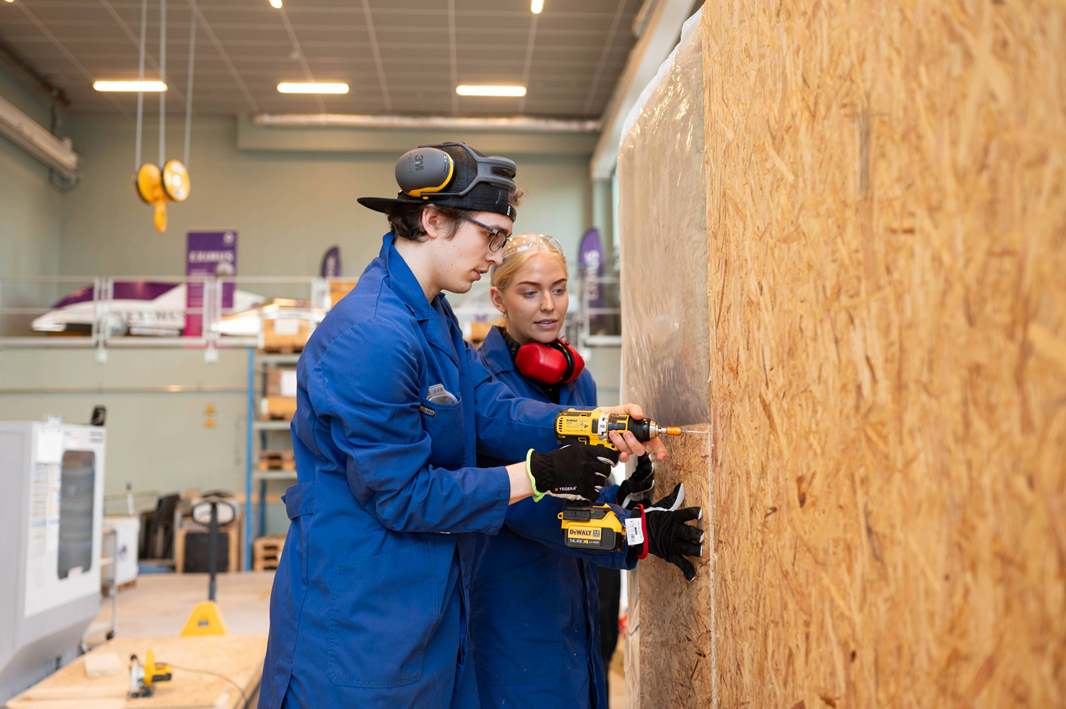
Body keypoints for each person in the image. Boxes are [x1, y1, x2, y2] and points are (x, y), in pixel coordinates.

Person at [257, 143, 667, 709]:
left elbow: (493, 410)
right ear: (432, 221)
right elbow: (404, 494)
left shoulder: (433, 317)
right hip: (358, 626)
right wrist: (540, 474)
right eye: (490, 236)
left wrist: (594, 423)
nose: (497, 255)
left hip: (425, 609)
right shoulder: (372, 335)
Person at [469, 234, 705, 709]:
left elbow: (581, 487)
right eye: (530, 291)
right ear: (498, 298)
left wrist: (623, 496)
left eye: (559, 288)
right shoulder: (482, 390)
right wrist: (635, 531)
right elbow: (526, 507)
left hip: (581, 591)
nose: (549, 306)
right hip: (517, 600)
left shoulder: (577, 380)